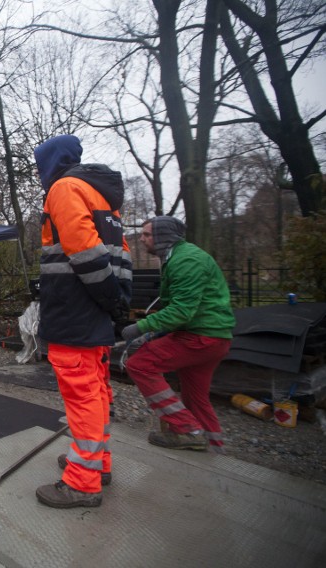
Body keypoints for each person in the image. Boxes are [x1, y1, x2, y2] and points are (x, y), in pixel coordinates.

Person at [32, 134, 132, 509]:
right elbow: (121, 255)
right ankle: (96, 463)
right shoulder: (102, 197)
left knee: (81, 393)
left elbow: (84, 252)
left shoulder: (63, 188)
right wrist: (117, 304)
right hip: (95, 311)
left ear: (50, 162)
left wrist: (106, 298)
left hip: (74, 309)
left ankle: (82, 482)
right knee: (97, 390)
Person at [121, 216, 235, 453]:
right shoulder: (179, 257)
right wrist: (155, 333)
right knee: (195, 397)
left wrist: (141, 327)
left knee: (140, 365)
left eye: (147, 234)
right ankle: (214, 448)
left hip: (200, 336)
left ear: (164, 237)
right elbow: (187, 307)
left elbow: (182, 310)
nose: (142, 239)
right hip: (212, 337)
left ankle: (187, 430)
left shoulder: (187, 261)